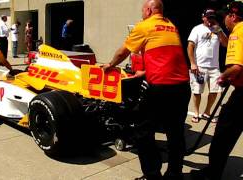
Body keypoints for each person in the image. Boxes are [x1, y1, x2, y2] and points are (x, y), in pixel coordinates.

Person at [102, 0, 191, 179]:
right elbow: (166, 56)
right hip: (182, 87)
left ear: (149, 10)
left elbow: (123, 52)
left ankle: (152, 174)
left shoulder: (145, 25)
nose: (141, 14)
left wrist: (110, 65)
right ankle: (174, 174)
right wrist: (144, 72)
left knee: (142, 131)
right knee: (175, 134)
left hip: (160, 89)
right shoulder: (170, 25)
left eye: (142, 10)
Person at [190, 2, 243, 180]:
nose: (223, 20)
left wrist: (223, 76)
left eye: (225, 16)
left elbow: (236, 67)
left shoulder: (237, 32)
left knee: (223, 134)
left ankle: (212, 174)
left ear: (233, 16)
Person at [187, 8, 228, 123]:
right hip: (199, 66)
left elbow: (225, 44)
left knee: (215, 91)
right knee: (197, 91)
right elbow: (190, 46)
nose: (210, 20)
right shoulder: (197, 29)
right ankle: (196, 112)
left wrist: (219, 30)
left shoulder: (218, 29)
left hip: (214, 67)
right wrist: (193, 63)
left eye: (212, 17)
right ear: (203, 17)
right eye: (208, 17)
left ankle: (207, 112)